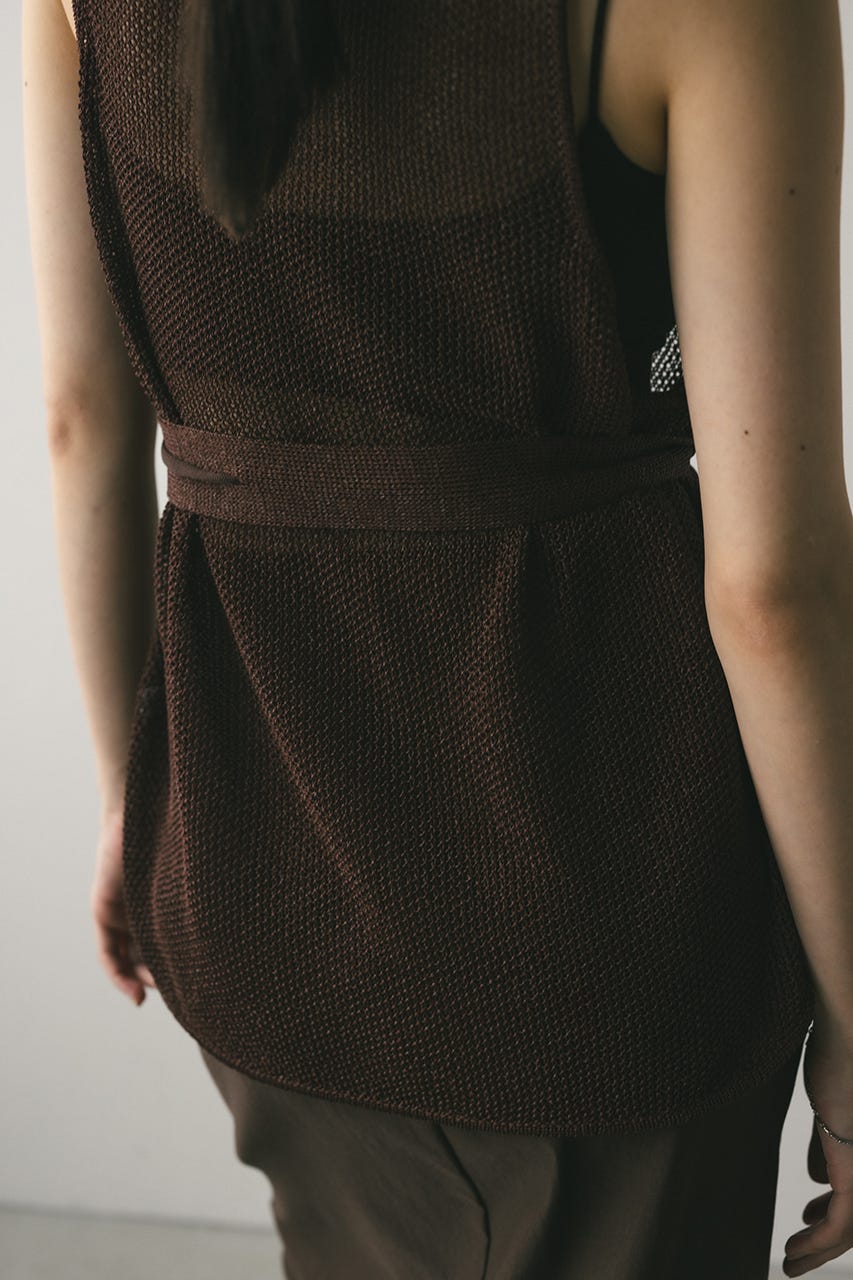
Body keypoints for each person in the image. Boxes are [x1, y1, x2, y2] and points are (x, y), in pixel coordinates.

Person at [20, 0, 853, 1274]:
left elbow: (81, 414)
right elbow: (773, 590)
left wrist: (132, 796)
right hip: (606, 931)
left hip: (258, 878)